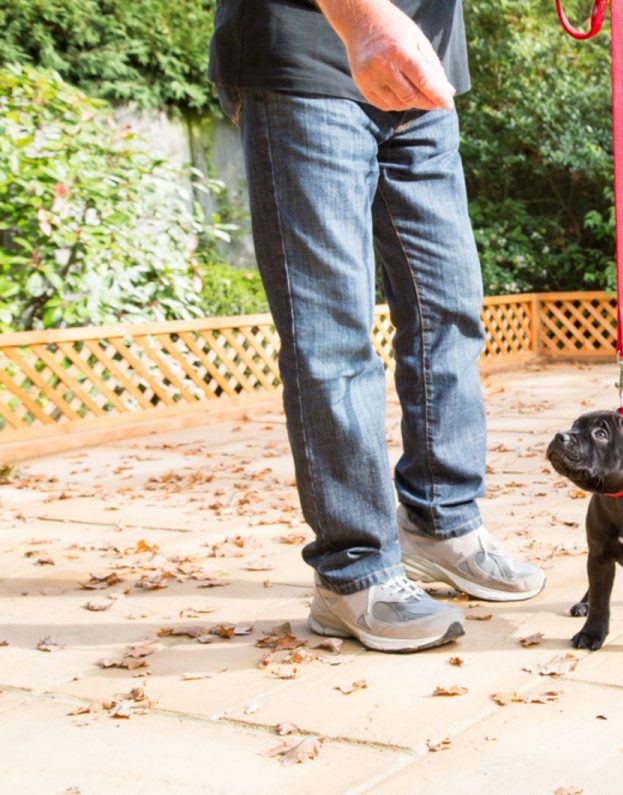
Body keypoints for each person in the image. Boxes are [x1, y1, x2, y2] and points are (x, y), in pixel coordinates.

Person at [208, 0, 545, 653]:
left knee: (449, 306)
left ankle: (439, 523)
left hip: (419, 65)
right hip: (311, 49)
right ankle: (352, 570)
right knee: (331, 329)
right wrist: (362, 20)